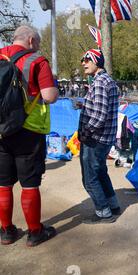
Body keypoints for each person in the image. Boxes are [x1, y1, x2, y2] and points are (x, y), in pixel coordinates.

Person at [0, 25, 59, 246]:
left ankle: (6, 231)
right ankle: (35, 233)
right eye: (39, 42)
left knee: (3, 184)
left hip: (1, 132)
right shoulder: (37, 61)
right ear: (32, 40)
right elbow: (49, 96)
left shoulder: (0, 55)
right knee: (29, 185)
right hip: (29, 131)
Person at [78, 49, 120, 224]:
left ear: (97, 61)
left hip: (96, 139)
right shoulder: (106, 80)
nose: (83, 63)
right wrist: (84, 105)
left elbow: (100, 115)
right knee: (101, 172)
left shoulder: (100, 82)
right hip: (103, 138)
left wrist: (86, 131)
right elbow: (101, 109)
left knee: (90, 178)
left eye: (87, 59)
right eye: (82, 60)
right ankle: (113, 205)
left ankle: (103, 212)